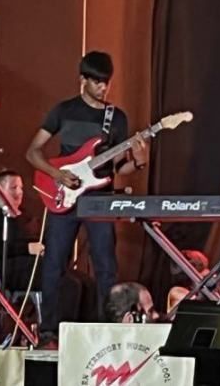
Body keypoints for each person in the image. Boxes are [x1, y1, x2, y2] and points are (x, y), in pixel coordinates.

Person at [25, 51, 147, 344]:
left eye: (106, 82)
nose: (103, 88)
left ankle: (106, 331)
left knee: (106, 265)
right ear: (82, 80)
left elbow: (120, 168)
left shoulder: (115, 118)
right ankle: (48, 331)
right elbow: (32, 152)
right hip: (64, 194)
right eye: (97, 82)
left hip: (99, 199)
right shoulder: (63, 111)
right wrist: (57, 175)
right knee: (54, 264)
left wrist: (139, 161)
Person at [0, 170, 44, 291]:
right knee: (66, 282)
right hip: (10, 271)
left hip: (28, 266)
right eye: (13, 188)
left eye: (21, 188)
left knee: (84, 283)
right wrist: (28, 248)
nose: (19, 192)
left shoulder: (24, 216)